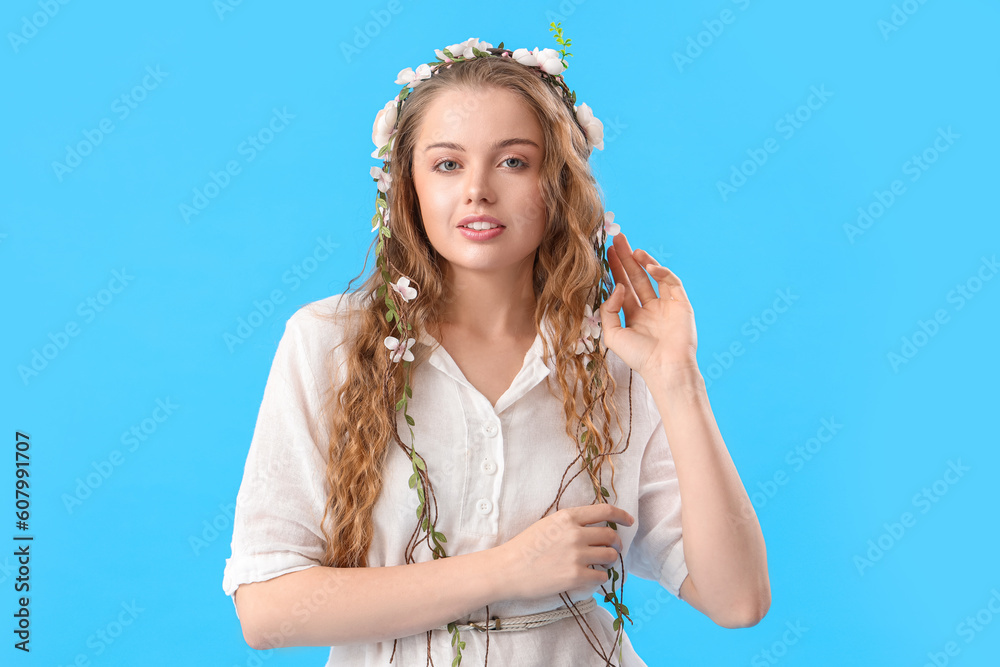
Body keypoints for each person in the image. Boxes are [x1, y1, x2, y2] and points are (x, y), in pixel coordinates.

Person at [222, 30, 770, 667]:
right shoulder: (327, 342)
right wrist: (507, 570)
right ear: (409, 187)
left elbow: (738, 601)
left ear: (557, 182)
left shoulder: (619, 357)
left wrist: (678, 378)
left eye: (514, 161)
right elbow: (265, 611)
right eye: (448, 164)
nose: (477, 190)